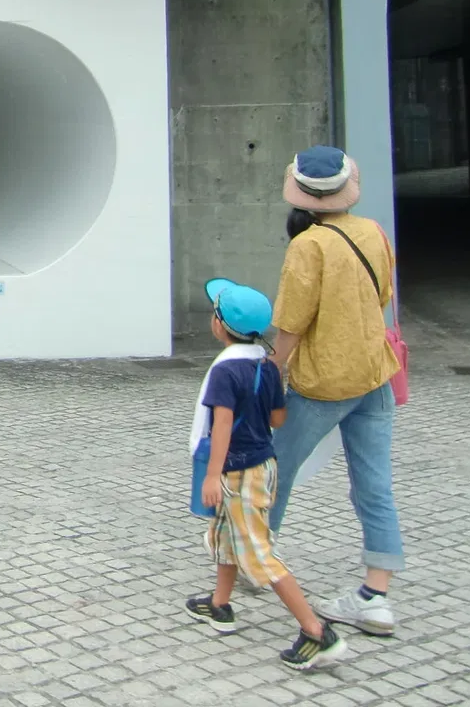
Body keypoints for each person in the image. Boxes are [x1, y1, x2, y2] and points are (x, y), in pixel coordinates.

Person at [268, 145, 405, 637]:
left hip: (324, 379)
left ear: (301, 195)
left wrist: (272, 369)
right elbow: (385, 295)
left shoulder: (308, 246)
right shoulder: (372, 231)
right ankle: (375, 596)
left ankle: (255, 558)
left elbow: (291, 320)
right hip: (375, 372)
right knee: (374, 482)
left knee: (276, 468)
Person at [185, 278, 349, 671]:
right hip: (264, 465)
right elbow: (278, 417)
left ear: (220, 326)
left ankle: (315, 631)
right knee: (226, 535)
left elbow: (220, 426)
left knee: (259, 554)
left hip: (237, 473)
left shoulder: (225, 372)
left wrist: (211, 476)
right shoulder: (267, 365)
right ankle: (220, 604)